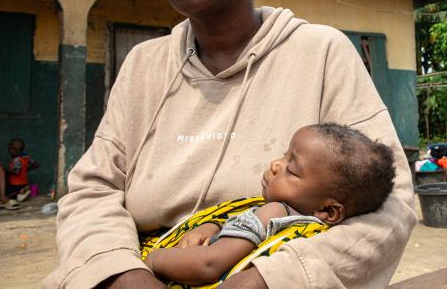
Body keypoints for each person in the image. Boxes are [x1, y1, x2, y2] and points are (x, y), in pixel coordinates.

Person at [44, 0, 416, 289]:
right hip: (146, 270)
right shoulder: (142, 65)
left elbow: (394, 202)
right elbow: (91, 191)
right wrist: (122, 273)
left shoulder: (322, 52)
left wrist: (270, 279)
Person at [144, 123, 396, 286]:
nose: (276, 164)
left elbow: (207, 264)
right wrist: (211, 227)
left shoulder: (273, 212)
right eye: (284, 154)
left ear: (328, 211)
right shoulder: (309, 231)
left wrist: (154, 261)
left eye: (292, 168)